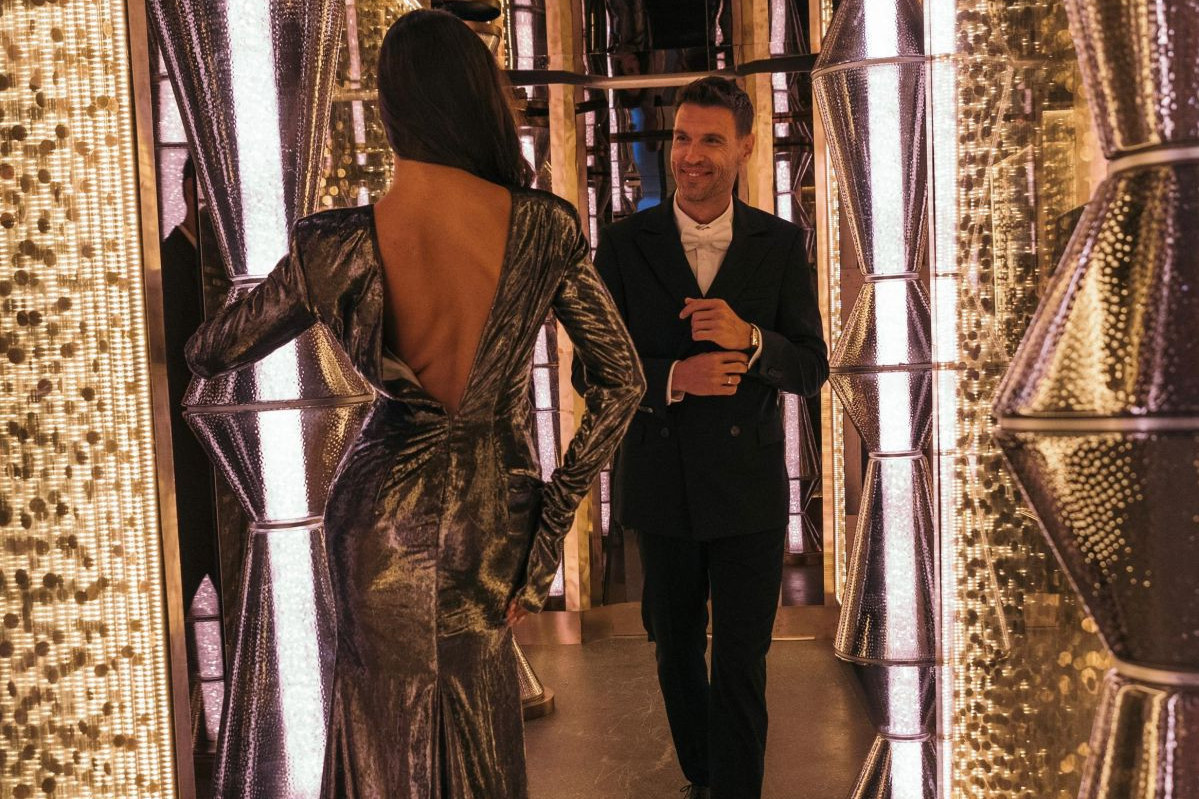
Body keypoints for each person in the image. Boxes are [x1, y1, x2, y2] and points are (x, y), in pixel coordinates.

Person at [186, 10, 644, 797]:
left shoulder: (335, 243)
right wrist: (548, 526)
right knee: (477, 716)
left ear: (391, 108)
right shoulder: (542, 226)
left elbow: (213, 349)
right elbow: (622, 379)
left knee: (378, 721)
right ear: (476, 98)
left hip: (374, 515)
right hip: (492, 517)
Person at [577, 76, 828, 799]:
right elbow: (590, 371)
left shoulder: (779, 243)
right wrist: (673, 377)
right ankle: (702, 776)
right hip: (662, 484)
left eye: (710, 140)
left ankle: (736, 789)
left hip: (749, 490)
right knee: (675, 651)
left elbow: (811, 368)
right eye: (682, 137)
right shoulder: (624, 245)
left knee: (742, 659)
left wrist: (752, 340)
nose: (690, 154)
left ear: (744, 147)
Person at [160, 155, 221, 608]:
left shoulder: (220, 264)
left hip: (216, 435)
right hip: (186, 435)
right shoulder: (171, 262)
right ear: (188, 190)